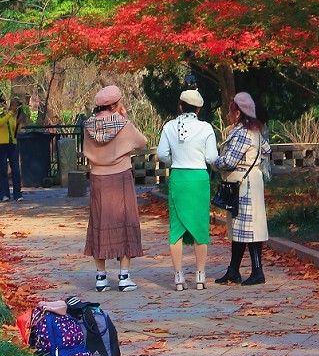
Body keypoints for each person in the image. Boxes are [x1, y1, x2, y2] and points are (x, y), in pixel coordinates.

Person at [83, 85, 147, 292]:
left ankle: (101, 277)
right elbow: (142, 142)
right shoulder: (123, 124)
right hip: (120, 177)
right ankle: (124, 275)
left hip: (98, 178)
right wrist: (126, 119)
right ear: (115, 104)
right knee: (125, 221)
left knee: (99, 223)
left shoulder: (88, 126)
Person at [156, 89, 218, 291]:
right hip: (199, 178)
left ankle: (178, 275)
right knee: (200, 225)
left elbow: (162, 154)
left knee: (176, 228)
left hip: (179, 177)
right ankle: (200, 275)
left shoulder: (169, 126)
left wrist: (176, 159)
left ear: (180, 106)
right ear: (199, 109)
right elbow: (211, 157)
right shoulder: (206, 128)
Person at [213, 92, 271, 286]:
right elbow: (266, 150)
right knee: (240, 228)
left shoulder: (243, 132)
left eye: (230, 111)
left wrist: (213, 161)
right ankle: (233, 270)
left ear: (238, 113)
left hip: (243, 185)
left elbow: (229, 161)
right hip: (248, 182)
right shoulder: (254, 130)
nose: (228, 114)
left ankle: (257, 271)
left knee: (249, 229)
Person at [0, 97, 29, 202]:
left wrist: (18, 124)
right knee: (3, 170)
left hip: (12, 145)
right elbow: (0, 123)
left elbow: (16, 131)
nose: (3, 106)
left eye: (4, 104)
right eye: (1, 104)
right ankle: (4, 194)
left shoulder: (10, 117)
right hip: (0, 145)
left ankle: (17, 194)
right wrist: (11, 112)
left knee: (16, 169)